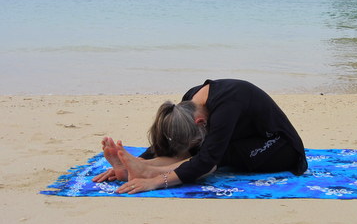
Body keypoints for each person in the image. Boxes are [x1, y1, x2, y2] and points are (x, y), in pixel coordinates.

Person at [93, 79, 308, 194]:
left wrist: (157, 181)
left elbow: (208, 161)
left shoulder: (227, 106)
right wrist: (137, 160)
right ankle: (139, 169)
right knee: (197, 147)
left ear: (200, 122)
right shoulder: (189, 102)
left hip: (280, 148)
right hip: (241, 138)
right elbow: (174, 137)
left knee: (217, 152)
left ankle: (148, 172)